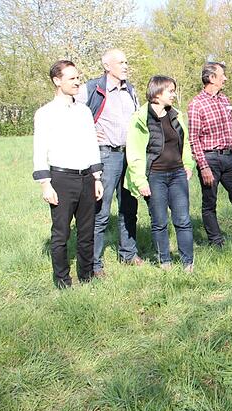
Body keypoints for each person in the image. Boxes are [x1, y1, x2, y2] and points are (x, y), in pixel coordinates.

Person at [33, 60, 104, 288]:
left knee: (87, 232)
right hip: (61, 179)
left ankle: (87, 276)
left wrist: (96, 177)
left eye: (77, 77)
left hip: (86, 179)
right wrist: (46, 184)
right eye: (71, 78)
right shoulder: (45, 113)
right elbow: (39, 149)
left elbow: (91, 144)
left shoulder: (83, 111)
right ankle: (63, 280)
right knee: (61, 234)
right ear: (57, 80)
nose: (77, 81)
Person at [77, 48, 142, 277]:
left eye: (126, 62)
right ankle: (94, 264)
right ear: (107, 66)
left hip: (130, 156)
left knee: (129, 208)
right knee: (100, 212)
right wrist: (85, 132)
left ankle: (128, 254)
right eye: (121, 62)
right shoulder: (92, 88)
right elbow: (72, 114)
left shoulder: (131, 90)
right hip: (105, 156)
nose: (125, 66)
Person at [125, 76, 195, 272]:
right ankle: (165, 261)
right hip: (154, 177)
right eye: (170, 91)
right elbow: (135, 151)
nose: (173, 94)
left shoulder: (176, 115)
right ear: (157, 93)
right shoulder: (140, 118)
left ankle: (188, 263)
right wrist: (140, 180)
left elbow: (185, 143)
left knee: (183, 220)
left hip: (177, 175)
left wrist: (188, 164)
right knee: (159, 222)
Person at [188, 62, 232, 248]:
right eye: (222, 75)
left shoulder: (225, 100)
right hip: (209, 159)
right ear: (211, 78)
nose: (225, 78)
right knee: (210, 203)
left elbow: (231, 131)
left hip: (229, 158)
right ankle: (216, 242)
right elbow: (193, 139)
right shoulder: (196, 104)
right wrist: (203, 166)